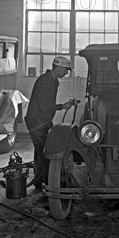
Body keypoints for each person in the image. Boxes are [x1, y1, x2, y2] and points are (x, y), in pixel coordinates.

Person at [25, 56, 75, 190]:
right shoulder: (46, 81)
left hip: (42, 121)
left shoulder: (52, 80)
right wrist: (61, 106)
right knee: (46, 154)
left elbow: (46, 106)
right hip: (37, 122)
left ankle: (38, 180)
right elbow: (45, 106)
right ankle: (49, 186)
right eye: (65, 70)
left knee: (39, 151)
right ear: (58, 68)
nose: (66, 73)